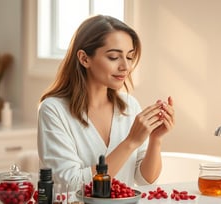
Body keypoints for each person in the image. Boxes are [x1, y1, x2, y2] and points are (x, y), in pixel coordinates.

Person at [37, 15, 175, 187]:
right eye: (114, 57)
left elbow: (145, 179)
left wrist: (155, 139)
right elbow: (71, 185)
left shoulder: (130, 106)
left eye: (130, 57)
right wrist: (131, 142)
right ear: (84, 59)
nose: (126, 66)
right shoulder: (54, 110)